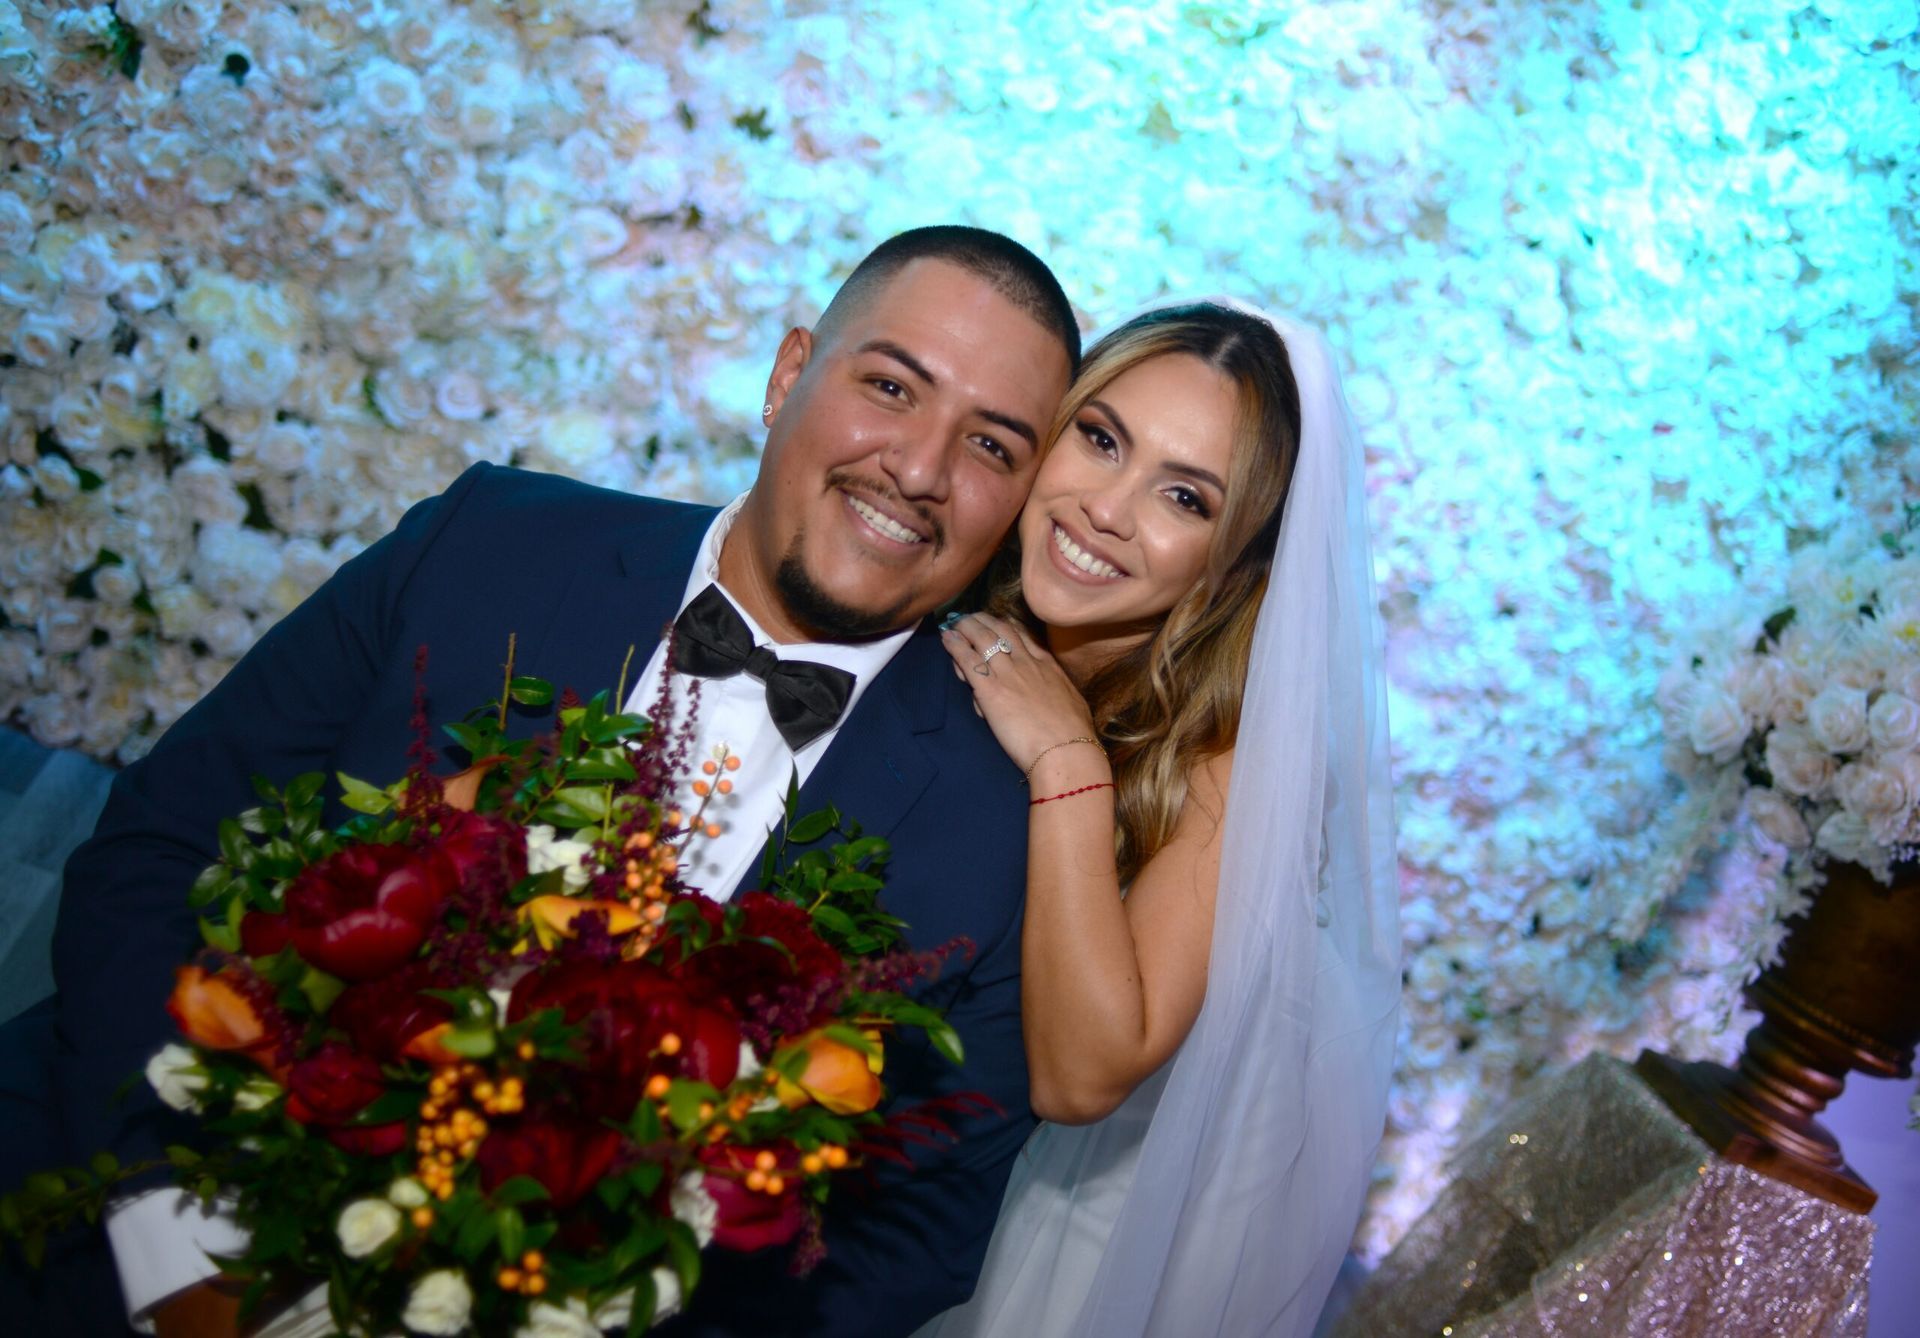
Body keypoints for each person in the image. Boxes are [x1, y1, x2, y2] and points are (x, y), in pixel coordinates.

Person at [0, 225, 1079, 1337]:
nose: (919, 469)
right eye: (891, 385)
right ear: (788, 373)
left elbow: (916, 1236)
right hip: (85, 1233)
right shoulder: (486, 545)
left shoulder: (997, 835)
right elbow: (162, 848)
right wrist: (174, 1242)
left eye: (993, 447)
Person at [921, 301, 1399, 1337]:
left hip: (1082, 1250)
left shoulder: (1234, 761)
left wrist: (1067, 761)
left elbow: (1086, 1070)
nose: (1106, 509)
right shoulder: (950, 603)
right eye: (1100, 440)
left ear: (1236, 567)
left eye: (1183, 497)